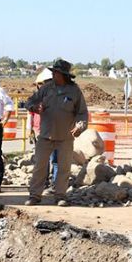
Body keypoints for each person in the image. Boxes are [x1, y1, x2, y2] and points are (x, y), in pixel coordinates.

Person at [24, 60, 88, 206]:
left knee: (64, 167)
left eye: (56, 73)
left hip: (65, 137)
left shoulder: (74, 91)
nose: (54, 75)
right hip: (46, 135)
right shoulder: (46, 88)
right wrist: (35, 108)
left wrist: (80, 126)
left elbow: (82, 113)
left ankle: (60, 196)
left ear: (64, 75)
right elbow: (29, 102)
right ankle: (35, 195)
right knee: (39, 165)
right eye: (53, 72)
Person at [28, 68, 58, 185]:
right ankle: (43, 181)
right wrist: (29, 130)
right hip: (40, 132)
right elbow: (30, 115)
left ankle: (55, 183)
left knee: (55, 159)